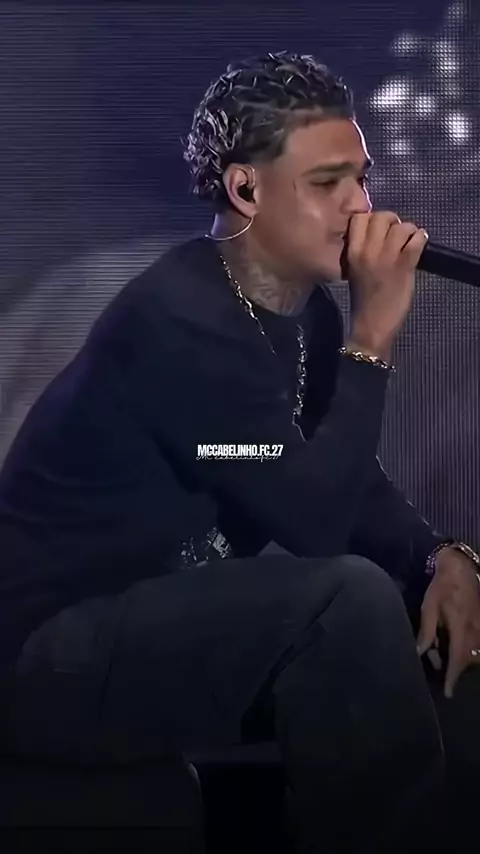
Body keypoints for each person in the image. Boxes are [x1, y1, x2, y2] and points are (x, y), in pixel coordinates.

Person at [0, 51, 479, 852]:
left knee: (438, 620)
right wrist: (373, 335)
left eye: (361, 179)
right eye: (328, 183)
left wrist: (440, 557)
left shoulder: (301, 313)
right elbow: (316, 525)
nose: (362, 208)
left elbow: (346, 483)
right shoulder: (179, 320)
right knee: (344, 600)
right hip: (49, 656)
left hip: (162, 621)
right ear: (246, 190)